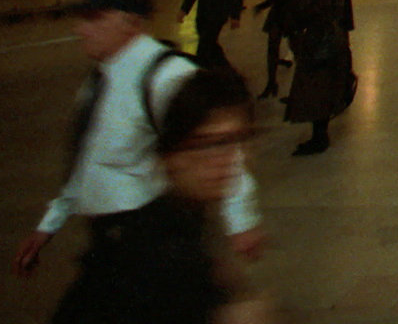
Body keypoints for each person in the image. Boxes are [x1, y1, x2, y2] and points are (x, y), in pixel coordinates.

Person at [13, 0, 265, 295]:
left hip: (151, 242)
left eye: (95, 19)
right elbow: (87, 158)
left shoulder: (166, 75)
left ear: (130, 23)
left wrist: (241, 221)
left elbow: (218, 140)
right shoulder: (98, 80)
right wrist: (49, 224)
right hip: (108, 243)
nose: (81, 30)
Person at [46, 68, 263, 324]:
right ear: (169, 152)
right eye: (207, 143)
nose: (228, 159)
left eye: (238, 140)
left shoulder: (181, 220)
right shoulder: (156, 256)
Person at [285, 0, 353, 156]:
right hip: (324, 39)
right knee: (319, 89)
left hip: (322, 41)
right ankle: (318, 134)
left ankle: (320, 137)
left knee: (318, 89)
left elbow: (310, 9)